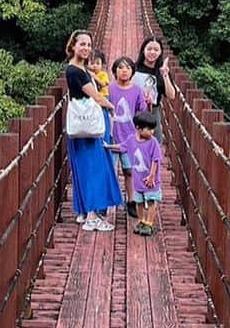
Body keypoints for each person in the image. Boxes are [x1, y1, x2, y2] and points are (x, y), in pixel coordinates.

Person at [65, 29, 122, 232]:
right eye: (82, 44)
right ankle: (92, 217)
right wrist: (111, 105)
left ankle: (84, 212)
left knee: (84, 167)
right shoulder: (75, 71)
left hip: (79, 127)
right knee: (94, 168)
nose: (86, 48)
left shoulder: (78, 69)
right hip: (88, 128)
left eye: (89, 45)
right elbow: (96, 97)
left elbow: (99, 83)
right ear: (72, 46)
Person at [108, 56, 147, 217]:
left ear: (132, 72)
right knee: (110, 170)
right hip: (111, 136)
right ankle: (108, 201)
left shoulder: (137, 90)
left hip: (130, 137)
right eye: (120, 67)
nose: (124, 71)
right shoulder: (109, 89)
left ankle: (131, 201)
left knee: (129, 171)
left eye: (128, 68)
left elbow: (142, 111)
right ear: (114, 71)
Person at [130, 109, 163, 237]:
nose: (152, 132)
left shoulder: (153, 142)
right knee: (138, 201)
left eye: (152, 129)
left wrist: (152, 175)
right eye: (148, 129)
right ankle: (142, 221)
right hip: (138, 179)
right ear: (138, 128)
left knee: (151, 201)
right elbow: (123, 146)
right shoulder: (132, 140)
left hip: (151, 180)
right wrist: (109, 147)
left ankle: (149, 223)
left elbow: (156, 160)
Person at [132, 35, 168, 139]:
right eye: (149, 49)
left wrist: (165, 76)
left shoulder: (161, 71)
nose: (152, 52)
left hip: (153, 112)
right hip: (135, 110)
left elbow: (171, 95)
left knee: (154, 144)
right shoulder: (134, 68)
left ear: (160, 52)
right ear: (143, 50)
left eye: (156, 49)